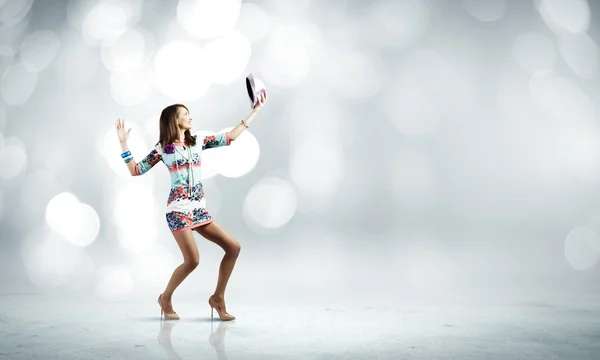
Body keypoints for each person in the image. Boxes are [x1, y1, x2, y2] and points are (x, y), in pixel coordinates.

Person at [114, 92, 268, 321]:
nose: (190, 117)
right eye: (185, 114)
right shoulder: (162, 149)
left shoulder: (197, 142)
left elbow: (230, 137)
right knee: (193, 260)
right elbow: (136, 170)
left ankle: (218, 298)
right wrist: (124, 144)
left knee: (233, 248)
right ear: (174, 120)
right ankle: (165, 298)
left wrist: (254, 111)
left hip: (198, 210)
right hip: (177, 211)